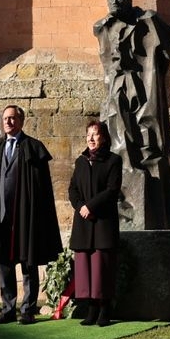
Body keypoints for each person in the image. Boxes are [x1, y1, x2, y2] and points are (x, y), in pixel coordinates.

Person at [94, 0, 170, 230]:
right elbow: (102, 42)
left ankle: (148, 197)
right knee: (118, 132)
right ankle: (126, 190)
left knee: (148, 133)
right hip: (117, 83)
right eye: (111, 1)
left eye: (118, 1)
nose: (113, 4)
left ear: (128, 3)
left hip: (141, 81)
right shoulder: (105, 26)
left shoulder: (147, 19)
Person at [0, 105, 63, 325]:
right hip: (1, 217)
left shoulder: (34, 148)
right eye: (5, 119)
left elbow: (42, 190)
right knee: (4, 265)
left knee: (28, 265)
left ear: (21, 120)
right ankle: (8, 309)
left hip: (25, 217)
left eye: (12, 118)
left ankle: (28, 310)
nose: (8, 122)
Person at [68, 120, 123, 326]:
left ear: (104, 137)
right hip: (83, 222)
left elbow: (112, 189)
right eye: (88, 134)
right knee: (85, 269)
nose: (90, 138)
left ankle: (105, 310)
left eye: (95, 134)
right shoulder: (81, 161)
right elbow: (73, 189)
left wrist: (91, 207)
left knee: (102, 268)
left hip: (103, 222)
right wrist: (81, 206)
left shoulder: (113, 160)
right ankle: (91, 310)